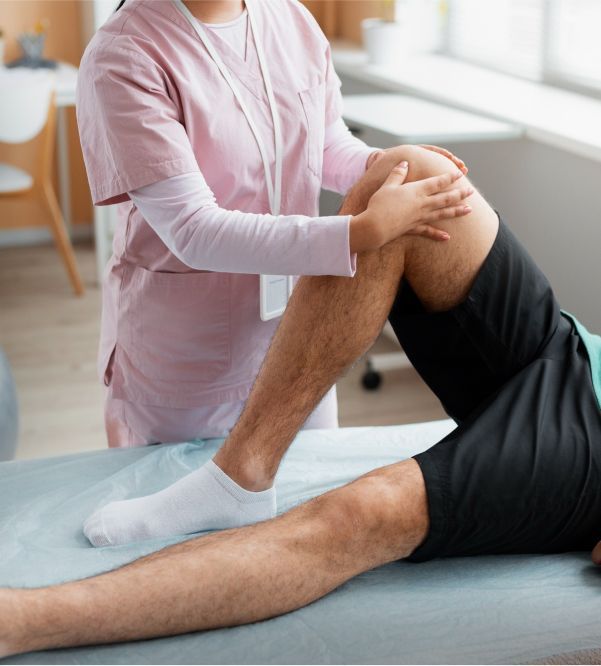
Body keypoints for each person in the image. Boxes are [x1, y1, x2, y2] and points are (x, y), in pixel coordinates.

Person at [3, 145, 601, 658]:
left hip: (591, 445)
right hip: (580, 355)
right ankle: (241, 477)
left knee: (363, 513)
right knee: (408, 173)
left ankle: (17, 620)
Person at [76, 0, 470, 452]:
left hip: (298, 338)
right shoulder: (126, 54)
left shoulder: (290, 18)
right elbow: (192, 230)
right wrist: (362, 232)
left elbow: (322, 144)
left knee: (307, 502)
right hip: (187, 363)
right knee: (189, 516)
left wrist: (384, 167)